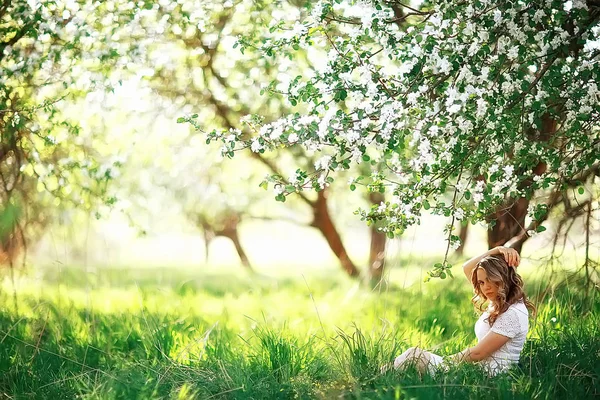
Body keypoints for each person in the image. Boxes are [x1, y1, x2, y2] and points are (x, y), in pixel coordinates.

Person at [384, 246, 535, 376]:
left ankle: (377, 378)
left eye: (491, 279)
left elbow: (478, 353)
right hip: (479, 370)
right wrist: (497, 250)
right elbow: (468, 268)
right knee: (413, 359)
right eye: (481, 282)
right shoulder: (497, 301)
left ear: (504, 277)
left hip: (491, 377)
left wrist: (445, 363)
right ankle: (382, 376)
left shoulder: (513, 313)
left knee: (414, 356)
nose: (486, 287)